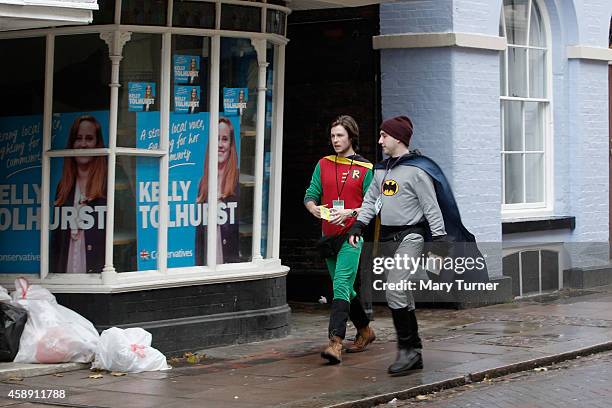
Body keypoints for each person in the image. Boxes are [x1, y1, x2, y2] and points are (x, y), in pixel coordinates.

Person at [304, 115, 376, 365]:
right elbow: (311, 193)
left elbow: (373, 205)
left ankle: (336, 343)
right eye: (333, 136)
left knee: (341, 284)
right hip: (328, 237)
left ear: (351, 137)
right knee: (345, 287)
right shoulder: (323, 164)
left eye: (340, 136)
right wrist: (312, 207)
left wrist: (350, 212)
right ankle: (366, 330)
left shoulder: (366, 169)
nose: (335, 140)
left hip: (352, 236)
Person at [51, 115, 107, 274]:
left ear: (97, 144)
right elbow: (56, 241)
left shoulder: (108, 185)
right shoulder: (63, 187)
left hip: (97, 273)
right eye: (78, 138)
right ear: (72, 144)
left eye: (89, 138)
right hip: (66, 271)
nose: (83, 144)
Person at [195, 117, 240, 265]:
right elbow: (199, 237)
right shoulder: (203, 183)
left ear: (231, 145)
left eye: (225, 139)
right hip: (208, 264)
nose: (220, 145)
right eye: (217, 139)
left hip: (229, 263)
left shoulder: (237, 181)